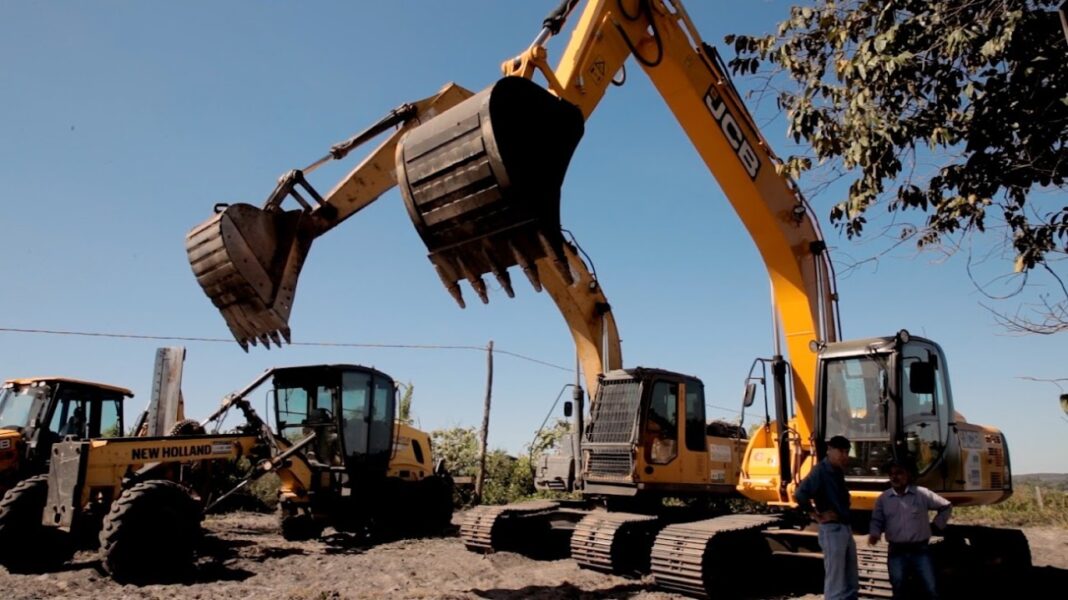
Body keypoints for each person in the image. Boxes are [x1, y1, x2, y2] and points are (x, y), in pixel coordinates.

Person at [868, 458, 952, 599]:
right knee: (899, 588)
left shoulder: (922, 494)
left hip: (920, 551)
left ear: (908, 475)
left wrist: (937, 524)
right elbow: (877, 520)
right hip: (896, 552)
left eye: (899, 473)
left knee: (930, 587)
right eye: (891, 474)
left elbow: (946, 506)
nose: (894, 477)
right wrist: (874, 533)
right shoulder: (883, 499)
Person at [795, 435, 858, 600]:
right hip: (833, 529)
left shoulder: (837, 471)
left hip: (844, 527)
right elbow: (800, 494)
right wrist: (817, 516)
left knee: (851, 580)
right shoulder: (821, 471)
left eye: (846, 452)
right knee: (836, 583)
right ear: (829, 450)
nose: (844, 456)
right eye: (841, 452)